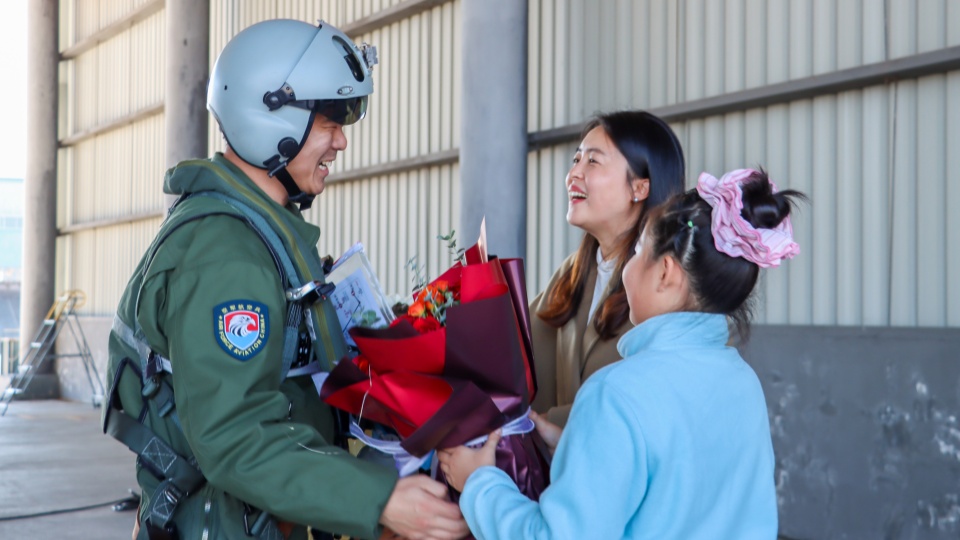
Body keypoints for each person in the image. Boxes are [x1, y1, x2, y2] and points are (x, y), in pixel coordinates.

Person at [103, 19, 468, 540]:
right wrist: (380, 499)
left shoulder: (260, 231)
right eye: (330, 120)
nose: (341, 140)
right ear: (268, 116)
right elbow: (236, 436)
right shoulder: (227, 256)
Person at [438, 168, 803, 538]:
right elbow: (678, 486)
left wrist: (479, 483)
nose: (626, 267)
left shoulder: (616, 392)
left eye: (639, 250)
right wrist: (575, 448)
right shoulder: (744, 383)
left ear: (666, 274)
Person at [530, 110, 686, 427]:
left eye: (593, 162)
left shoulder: (673, 284)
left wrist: (547, 423)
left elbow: (660, 400)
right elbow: (514, 345)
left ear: (639, 188)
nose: (573, 174)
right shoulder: (572, 272)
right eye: (576, 160)